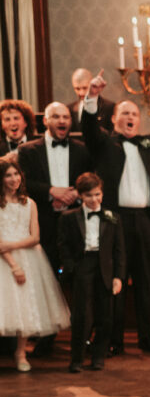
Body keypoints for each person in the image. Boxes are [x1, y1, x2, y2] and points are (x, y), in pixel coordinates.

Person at [81, 70, 150, 355]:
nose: (131, 117)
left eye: (134, 113)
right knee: (114, 281)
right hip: (115, 220)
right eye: (125, 113)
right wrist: (92, 96)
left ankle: (146, 337)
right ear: (114, 119)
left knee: (145, 281)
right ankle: (114, 340)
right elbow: (87, 127)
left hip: (145, 220)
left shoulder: (147, 144)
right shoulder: (104, 143)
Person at [16, 102, 92, 358]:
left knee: (78, 280)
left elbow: (87, 179)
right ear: (45, 121)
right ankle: (46, 338)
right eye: (57, 117)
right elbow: (23, 182)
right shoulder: (28, 150)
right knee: (46, 281)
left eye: (66, 117)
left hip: (75, 223)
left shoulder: (82, 150)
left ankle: (82, 337)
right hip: (44, 223)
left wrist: (73, 195)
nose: (62, 121)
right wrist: (52, 191)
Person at [0, 156, 70, 372]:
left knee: (26, 305)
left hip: (29, 256)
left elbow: (35, 237)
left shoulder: (30, 203)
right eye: (8, 175)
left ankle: (20, 353)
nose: (13, 179)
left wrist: (10, 246)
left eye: (16, 174)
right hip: (5, 261)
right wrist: (13, 264)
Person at [58, 173, 124, 373]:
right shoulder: (68, 217)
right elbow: (62, 246)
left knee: (105, 315)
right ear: (79, 196)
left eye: (97, 194)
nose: (94, 200)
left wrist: (118, 276)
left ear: (102, 194)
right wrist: (72, 267)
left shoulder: (113, 218)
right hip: (83, 265)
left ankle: (98, 357)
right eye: (88, 196)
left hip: (105, 267)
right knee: (81, 315)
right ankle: (76, 358)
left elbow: (119, 250)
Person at [67, 68, 114, 133]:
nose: (81, 93)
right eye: (77, 89)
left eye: (85, 88)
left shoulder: (109, 107)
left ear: (91, 84)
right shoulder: (69, 109)